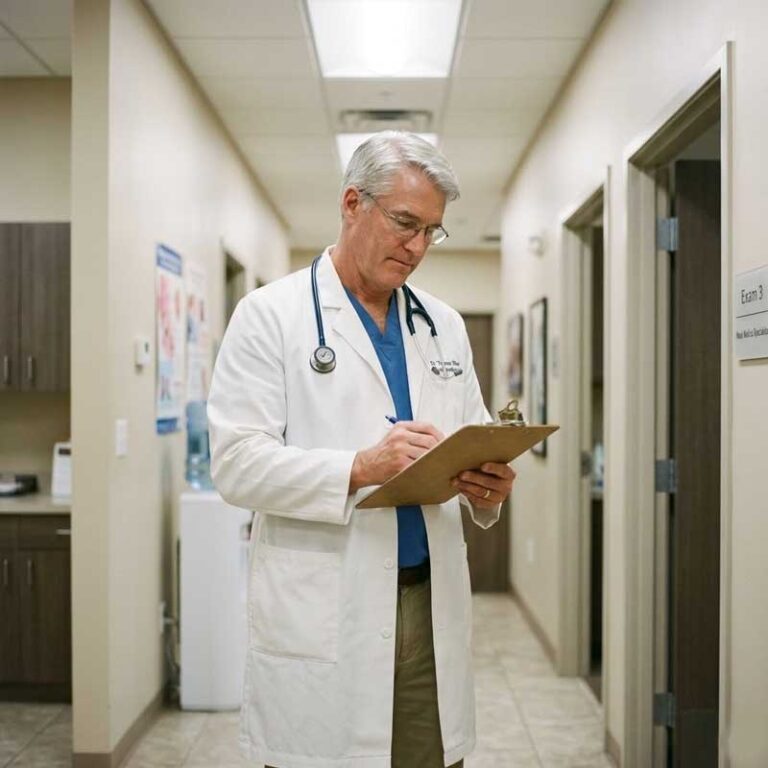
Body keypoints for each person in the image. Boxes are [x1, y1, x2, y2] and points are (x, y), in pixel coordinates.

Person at [207, 131, 516, 768]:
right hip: (327, 605)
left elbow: (475, 434)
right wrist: (358, 468)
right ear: (353, 203)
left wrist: (489, 485)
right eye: (406, 222)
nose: (417, 246)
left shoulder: (444, 327)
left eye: (433, 230)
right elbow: (236, 464)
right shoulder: (270, 315)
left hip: (427, 605)